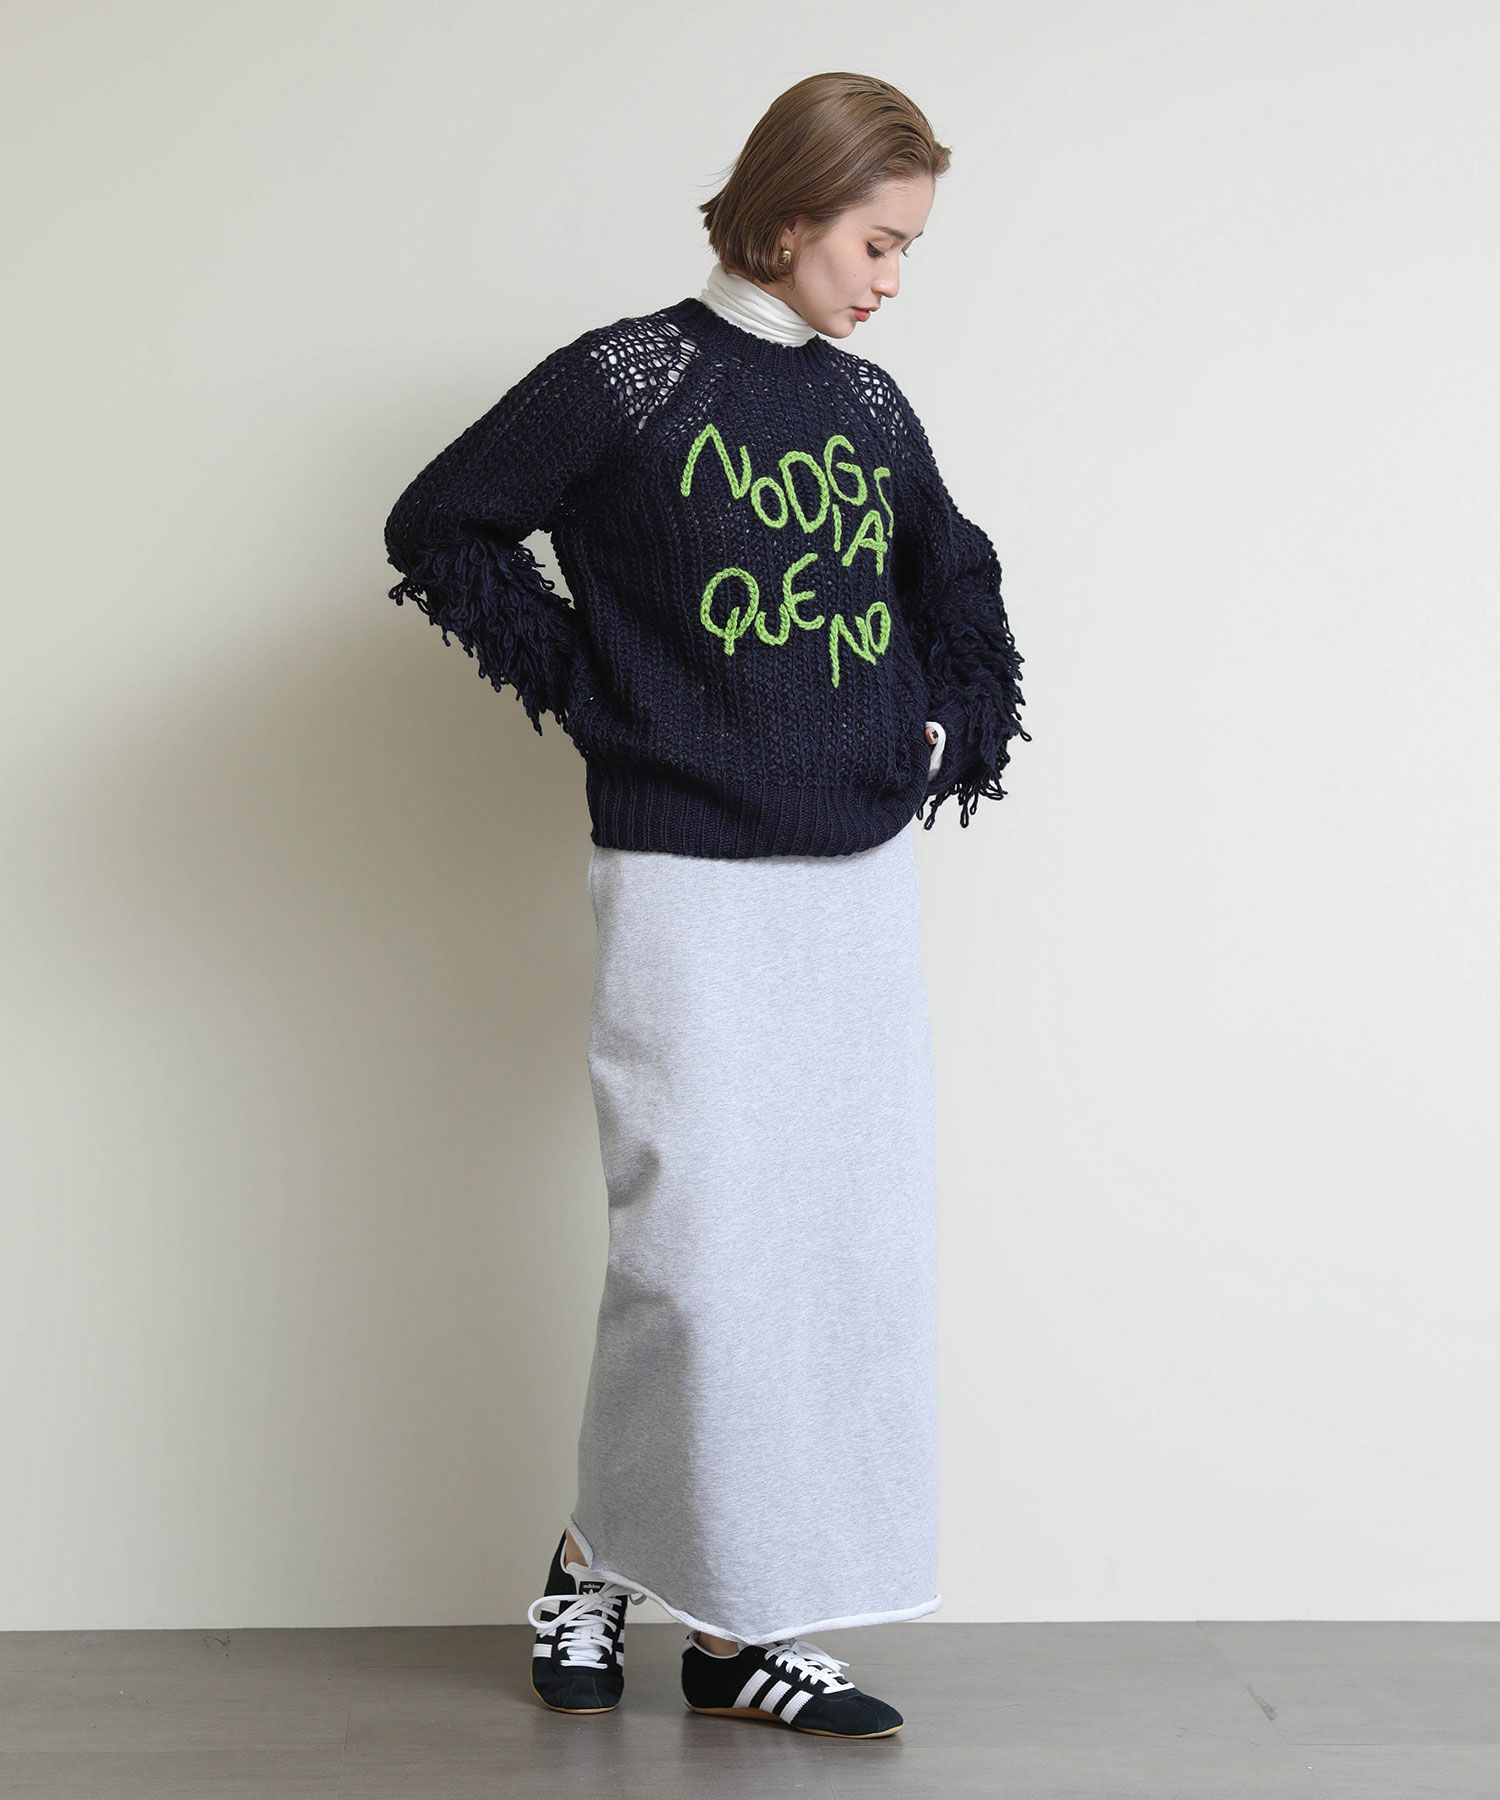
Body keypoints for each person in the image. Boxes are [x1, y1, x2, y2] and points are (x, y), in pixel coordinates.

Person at [382, 71, 1028, 1742]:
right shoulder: (634, 376)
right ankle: (601, 1553)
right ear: (793, 213)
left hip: (851, 881)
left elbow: (956, 583)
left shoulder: (869, 409)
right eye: (879, 242)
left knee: (830, 1256)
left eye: (910, 248)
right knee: (698, 1258)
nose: (895, 278)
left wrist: (945, 728)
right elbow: (441, 524)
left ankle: (746, 1635)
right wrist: (595, 689)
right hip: (684, 873)